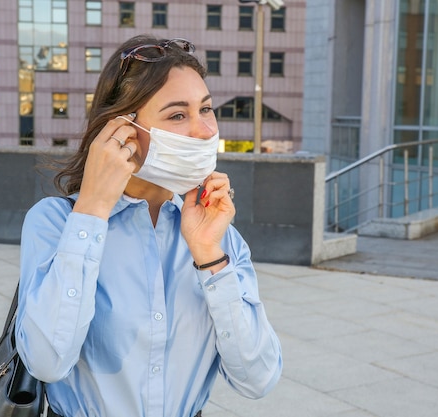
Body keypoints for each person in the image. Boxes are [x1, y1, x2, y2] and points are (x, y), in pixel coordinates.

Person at [15, 34, 282, 417]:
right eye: (177, 114)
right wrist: (90, 211)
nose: (205, 131)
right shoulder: (55, 223)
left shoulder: (221, 237)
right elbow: (46, 362)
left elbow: (258, 379)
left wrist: (209, 257)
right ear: (120, 128)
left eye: (206, 109)